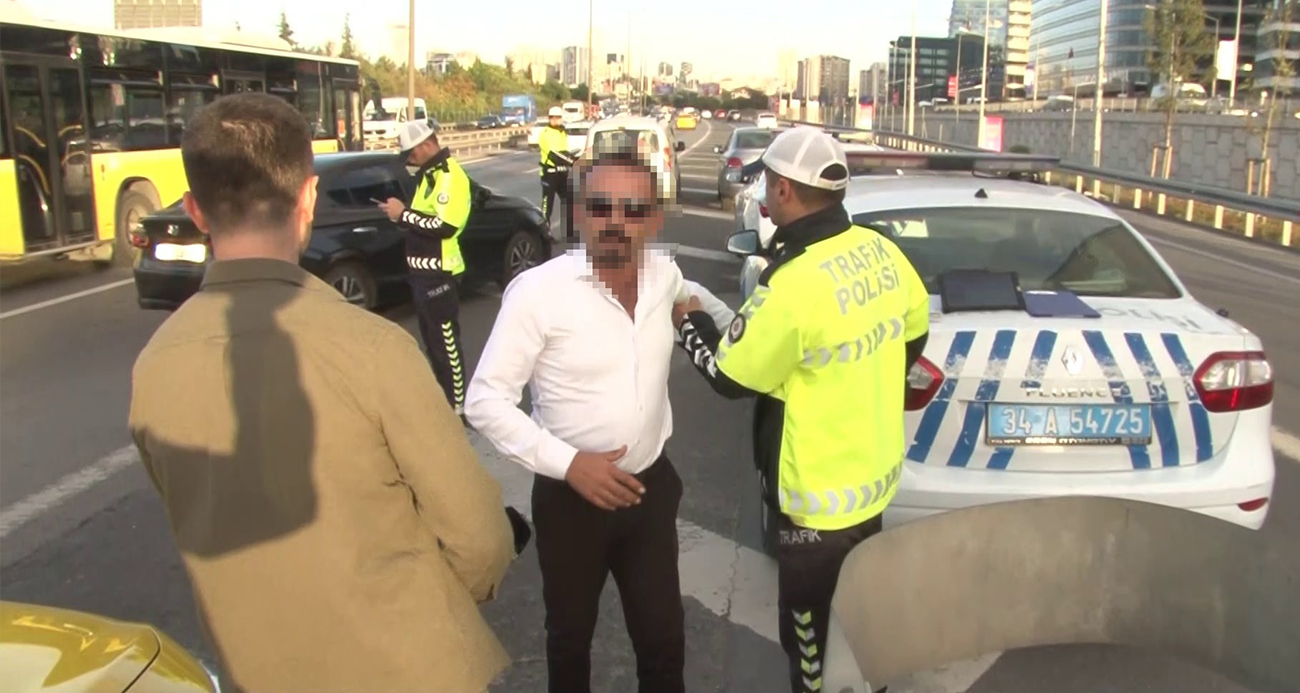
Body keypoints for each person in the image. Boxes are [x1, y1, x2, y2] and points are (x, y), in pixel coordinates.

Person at [129, 92, 517, 693]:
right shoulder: (374, 349)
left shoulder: (154, 368)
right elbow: (481, 541)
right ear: (308, 199)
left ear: (195, 210)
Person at [672, 127, 930, 693]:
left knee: (808, 645)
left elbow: (728, 376)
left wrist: (688, 324)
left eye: (768, 180)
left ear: (784, 190)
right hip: (874, 485)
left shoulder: (792, 284)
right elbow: (913, 336)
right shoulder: (881, 251)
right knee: (865, 631)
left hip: (815, 507)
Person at [465, 148, 694, 693]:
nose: (615, 221)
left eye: (633, 210)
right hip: (571, 503)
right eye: (600, 206)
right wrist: (570, 465)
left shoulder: (665, 275)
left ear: (654, 220)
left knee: (663, 642)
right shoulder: (538, 293)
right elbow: (485, 400)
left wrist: (728, 332)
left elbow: (692, 302)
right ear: (579, 212)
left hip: (649, 492)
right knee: (570, 642)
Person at [380, 120, 473, 417]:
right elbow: (422, 220)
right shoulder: (428, 175)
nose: (409, 158)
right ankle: (445, 402)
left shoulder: (448, 177)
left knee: (446, 346)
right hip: (422, 275)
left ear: (427, 145)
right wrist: (402, 216)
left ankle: (458, 409)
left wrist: (403, 215)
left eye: (412, 152)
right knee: (433, 345)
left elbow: (446, 226)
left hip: (439, 273)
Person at [538, 105, 577, 242]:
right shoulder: (545, 134)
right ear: (549, 118)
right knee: (547, 206)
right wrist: (572, 161)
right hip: (549, 174)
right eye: (552, 117)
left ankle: (571, 233)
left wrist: (573, 158)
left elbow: (564, 152)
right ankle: (545, 236)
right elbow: (554, 154)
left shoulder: (562, 132)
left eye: (558, 117)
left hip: (562, 173)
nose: (555, 120)